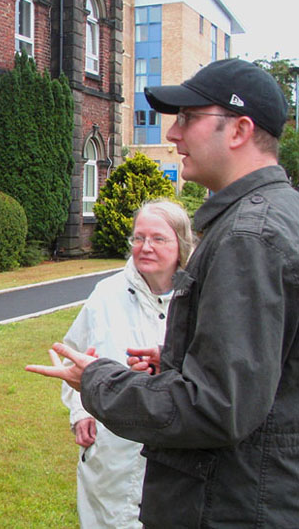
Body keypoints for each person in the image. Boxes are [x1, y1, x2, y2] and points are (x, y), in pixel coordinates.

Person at [27, 58, 299, 527]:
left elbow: (216, 407)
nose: (173, 134)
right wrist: (182, 358)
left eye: (189, 118)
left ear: (239, 130)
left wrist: (99, 381)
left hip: (229, 503)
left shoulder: (247, 236)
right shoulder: (276, 214)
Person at [60, 200, 193, 529]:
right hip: (112, 455)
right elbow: (76, 357)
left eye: (158, 239)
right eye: (138, 238)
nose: (145, 247)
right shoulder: (106, 294)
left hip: (178, 456)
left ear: (182, 245)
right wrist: (80, 412)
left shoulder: (200, 299)